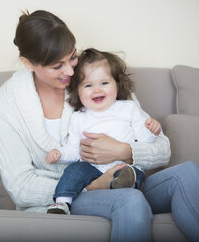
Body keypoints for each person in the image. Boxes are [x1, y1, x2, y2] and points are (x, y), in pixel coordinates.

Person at [0, 10, 199, 241]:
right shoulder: (8, 102)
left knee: (188, 173)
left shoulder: (93, 75)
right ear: (28, 63)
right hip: (64, 200)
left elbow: (162, 149)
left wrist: (126, 151)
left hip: (125, 177)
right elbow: (20, 187)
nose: (70, 72)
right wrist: (91, 186)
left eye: (72, 57)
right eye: (57, 66)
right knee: (130, 200)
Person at [45, 48, 161, 215]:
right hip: (92, 170)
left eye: (104, 83)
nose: (97, 90)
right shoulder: (79, 117)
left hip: (124, 166)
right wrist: (59, 154)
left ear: (117, 84)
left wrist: (152, 130)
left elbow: (144, 141)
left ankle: (122, 184)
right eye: (88, 85)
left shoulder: (128, 108)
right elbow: (74, 150)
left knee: (133, 173)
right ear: (77, 90)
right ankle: (62, 203)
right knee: (73, 171)